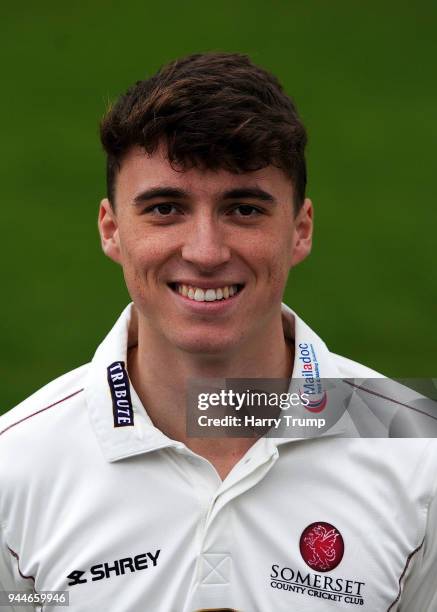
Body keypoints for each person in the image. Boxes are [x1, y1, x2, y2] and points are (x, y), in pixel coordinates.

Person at [0, 53, 436, 612]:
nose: (206, 252)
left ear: (299, 231)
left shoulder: (418, 452)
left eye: (245, 209)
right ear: (112, 231)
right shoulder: (15, 465)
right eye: (164, 208)